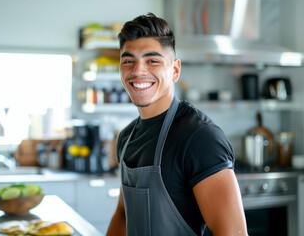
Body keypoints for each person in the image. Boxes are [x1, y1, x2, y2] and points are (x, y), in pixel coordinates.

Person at [106, 13, 248, 236]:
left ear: (175, 70)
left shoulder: (200, 137)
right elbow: (123, 216)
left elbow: (232, 233)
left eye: (152, 60)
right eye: (128, 61)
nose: (138, 71)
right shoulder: (126, 138)